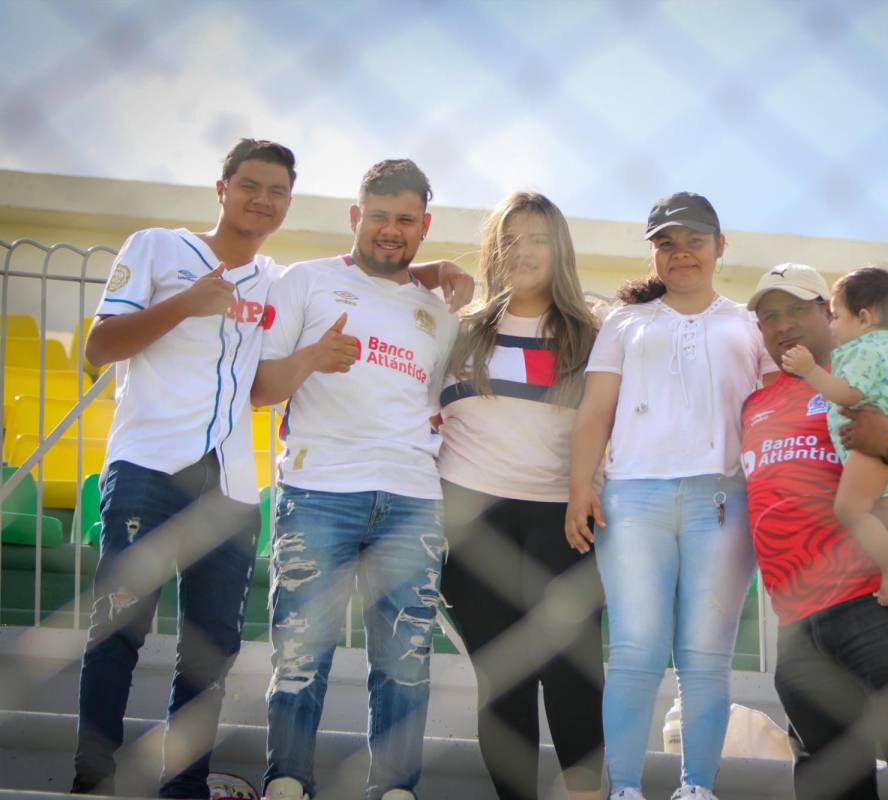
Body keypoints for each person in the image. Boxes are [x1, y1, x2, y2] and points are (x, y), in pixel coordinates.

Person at [72, 139, 297, 798]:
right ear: (222, 189)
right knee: (118, 625)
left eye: (277, 191)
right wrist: (186, 305)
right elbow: (100, 346)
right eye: (250, 184)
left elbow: (262, 387)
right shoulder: (158, 247)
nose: (263, 200)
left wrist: (431, 272)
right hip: (149, 465)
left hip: (231, 485)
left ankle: (185, 785)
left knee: (211, 649)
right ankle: (94, 775)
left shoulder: (277, 280)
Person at [251, 159, 458, 800]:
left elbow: (438, 408)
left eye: (405, 220)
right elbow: (259, 389)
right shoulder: (305, 282)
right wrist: (315, 358)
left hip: (413, 498)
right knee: (299, 655)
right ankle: (288, 783)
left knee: (405, 663)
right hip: (319, 490)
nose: (391, 230)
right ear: (354, 217)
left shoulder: (440, 315)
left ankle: (394, 790)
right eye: (378, 216)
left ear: (424, 226)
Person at [566, 192, 777, 800]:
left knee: (705, 657)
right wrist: (580, 488)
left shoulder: (750, 323)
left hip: (725, 499)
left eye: (694, 241)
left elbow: (777, 409)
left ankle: (697, 788)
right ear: (652, 251)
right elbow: (595, 412)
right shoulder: (624, 323)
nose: (681, 253)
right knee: (637, 649)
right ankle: (625, 789)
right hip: (633, 499)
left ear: (720, 245)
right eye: (666, 243)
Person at [741, 263, 888, 799]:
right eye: (769, 316)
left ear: (830, 314)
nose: (782, 324)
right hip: (798, 624)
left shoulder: (880, 371)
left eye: (796, 309)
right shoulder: (754, 404)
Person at [437, 191, 605, 800]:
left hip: (564, 519)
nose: (524, 252)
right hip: (471, 521)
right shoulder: (456, 331)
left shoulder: (596, 333)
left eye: (538, 240)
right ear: (492, 252)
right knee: (502, 681)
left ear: (560, 250)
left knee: (571, 675)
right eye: (510, 241)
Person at [780, 266, 888, 617]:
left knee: (849, 510)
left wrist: (810, 370)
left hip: (868, 447)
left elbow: (849, 394)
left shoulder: (862, 351)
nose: (831, 326)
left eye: (836, 316)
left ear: (864, 317)